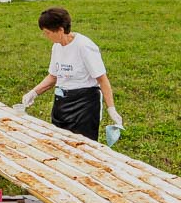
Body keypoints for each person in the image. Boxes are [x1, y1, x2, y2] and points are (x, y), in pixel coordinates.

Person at [17, 7, 121, 142]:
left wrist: (111, 108)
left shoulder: (84, 46)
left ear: (60, 30)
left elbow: (102, 80)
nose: (45, 36)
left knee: (82, 145)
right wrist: (34, 92)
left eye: (47, 32)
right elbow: (53, 76)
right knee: (59, 143)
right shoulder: (57, 46)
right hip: (61, 102)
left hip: (84, 105)